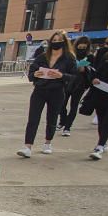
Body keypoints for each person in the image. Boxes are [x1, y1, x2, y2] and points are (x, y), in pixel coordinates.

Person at [18, 30, 76, 158]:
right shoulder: (42, 56)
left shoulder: (69, 59)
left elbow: (74, 77)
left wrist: (61, 75)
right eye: (54, 40)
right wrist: (35, 74)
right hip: (40, 90)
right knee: (33, 118)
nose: (56, 43)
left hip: (57, 91)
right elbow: (32, 71)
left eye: (59, 40)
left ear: (64, 42)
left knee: (52, 117)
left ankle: (48, 142)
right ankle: (27, 146)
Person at [57, 36, 94, 136]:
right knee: (61, 104)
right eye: (79, 47)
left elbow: (93, 70)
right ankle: (62, 121)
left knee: (74, 105)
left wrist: (85, 69)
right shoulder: (71, 55)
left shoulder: (90, 57)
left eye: (83, 48)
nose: (81, 49)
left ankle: (68, 127)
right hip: (68, 81)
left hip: (80, 83)